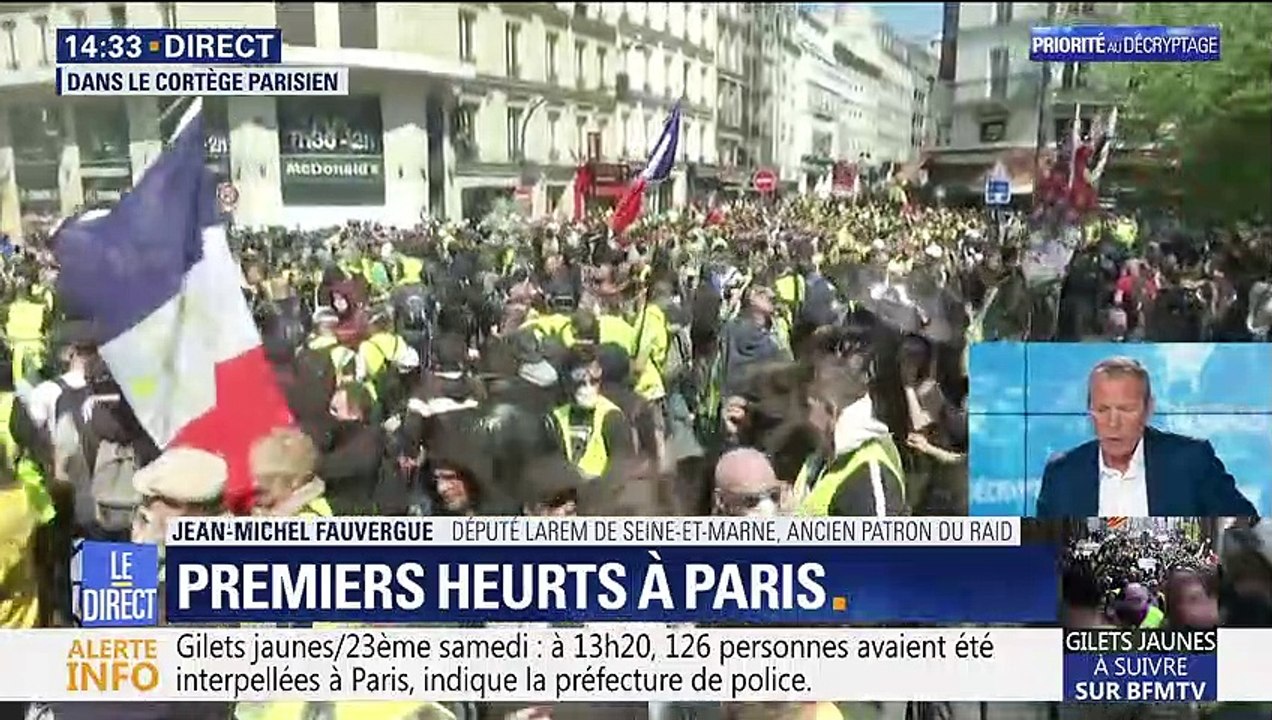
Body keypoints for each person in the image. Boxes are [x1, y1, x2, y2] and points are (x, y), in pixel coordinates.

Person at [1036, 356, 1256, 517]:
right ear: (1090, 411)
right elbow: (1044, 553)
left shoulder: (1191, 462)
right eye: (1103, 410)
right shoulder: (1062, 475)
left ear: (1148, 409)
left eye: (1125, 410)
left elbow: (1245, 531)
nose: (1113, 423)